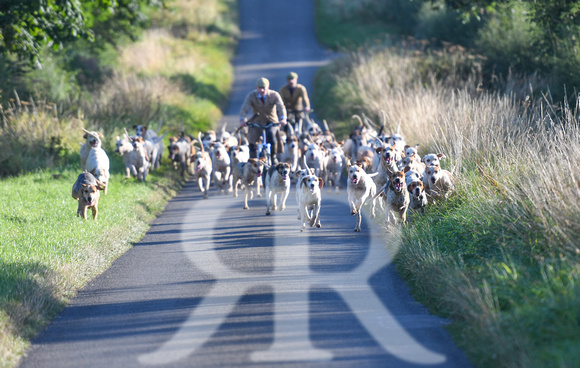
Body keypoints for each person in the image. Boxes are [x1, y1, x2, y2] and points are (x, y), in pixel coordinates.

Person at [239, 77, 287, 163]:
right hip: (257, 122)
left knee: (272, 136)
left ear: (268, 87)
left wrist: (283, 118)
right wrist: (242, 119)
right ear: (256, 88)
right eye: (260, 88)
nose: (262, 90)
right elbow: (244, 108)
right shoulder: (252, 95)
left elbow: (281, 107)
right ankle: (252, 159)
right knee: (252, 139)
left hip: (271, 121)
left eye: (263, 88)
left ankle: (273, 156)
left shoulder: (274, 95)